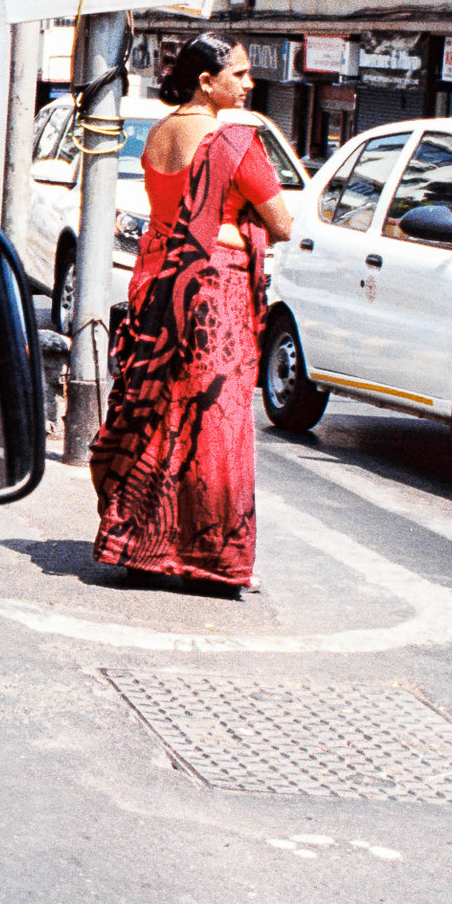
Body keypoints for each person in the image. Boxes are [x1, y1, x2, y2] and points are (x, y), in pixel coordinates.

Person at [90, 34, 294, 595]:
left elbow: (167, 206)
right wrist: (245, 210)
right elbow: (281, 222)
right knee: (215, 417)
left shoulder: (158, 134)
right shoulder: (233, 139)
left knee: (157, 407)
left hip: (157, 279)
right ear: (208, 81)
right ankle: (210, 558)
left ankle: (137, 545)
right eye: (241, 75)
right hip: (214, 288)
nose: (250, 85)